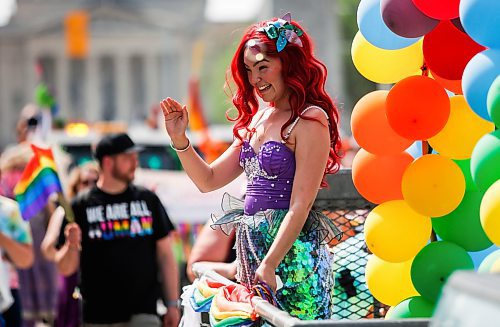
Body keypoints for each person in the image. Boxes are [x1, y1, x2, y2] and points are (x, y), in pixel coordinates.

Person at [160, 13, 343, 320]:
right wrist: (180, 140)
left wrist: (270, 264)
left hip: (293, 260)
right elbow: (208, 180)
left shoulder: (310, 119)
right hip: (253, 259)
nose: (255, 78)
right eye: (248, 70)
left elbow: (302, 203)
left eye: (262, 67)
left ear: (288, 63)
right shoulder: (255, 120)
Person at [54, 133, 180, 326]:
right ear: (107, 162)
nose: (135, 163)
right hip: (99, 317)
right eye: (127, 158)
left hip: (144, 313)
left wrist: (172, 303)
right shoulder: (80, 205)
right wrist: (71, 245)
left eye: (135, 157)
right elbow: (65, 267)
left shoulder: (148, 199)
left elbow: (165, 255)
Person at [41, 161, 99, 327]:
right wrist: (69, 247)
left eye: (95, 181)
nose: (90, 186)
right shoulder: (66, 212)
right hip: (71, 283)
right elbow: (47, 249)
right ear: (76, 185)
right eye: (86, 182)